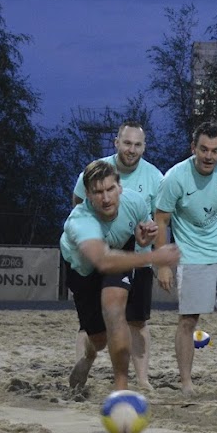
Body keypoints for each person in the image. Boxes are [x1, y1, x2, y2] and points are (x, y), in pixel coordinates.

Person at [153, 121, 217, 395]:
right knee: (188, 321)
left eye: (215, 150)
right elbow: (161, 220)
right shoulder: (174, 178)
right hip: (191, 255)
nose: (209, 156)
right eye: (204, 149)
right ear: (193, 148)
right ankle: (186, 382)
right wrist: (162, 264)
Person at [62, 159, 180, 392]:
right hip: (83, 268)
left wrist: (144, 236)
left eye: (110, 189)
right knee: (98, 339)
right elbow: (103, 261)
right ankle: (88, 357)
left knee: (116, 310)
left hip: (119, 253)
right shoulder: (80, 221)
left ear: (120, 187)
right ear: (87, 195)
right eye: (98, 192)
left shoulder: (134, 202)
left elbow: (140, 231)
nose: (106, 198)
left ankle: (121, 389)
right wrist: (154, 258)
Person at [70, 121, 164, 389]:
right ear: (116, 143)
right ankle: (84, 368)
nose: (131, 149)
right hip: (100, 256)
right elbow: (78, 204)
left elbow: (159, 218)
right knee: (91, 323)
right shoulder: (96, 170)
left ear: (144, 146)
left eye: (137, 144)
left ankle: (142, 380)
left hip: (139, 255)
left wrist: (152, 241)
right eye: (127, 143)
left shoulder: (155, 177)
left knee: (137, 319)